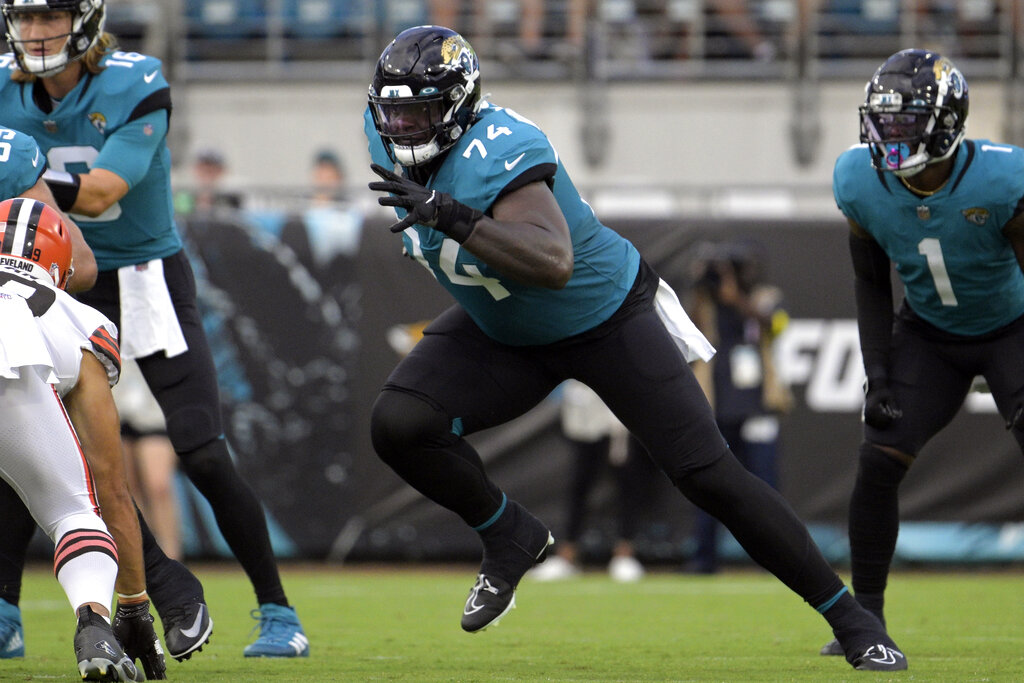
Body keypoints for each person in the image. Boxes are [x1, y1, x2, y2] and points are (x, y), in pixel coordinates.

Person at [365, 25, 905, 671]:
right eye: (392, 110)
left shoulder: (501, 148)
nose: (402, 124)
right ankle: (509, 533)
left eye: (419, 110)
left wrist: (451, 213)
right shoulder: (384, 135)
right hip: (504, 326)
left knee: (710, 475)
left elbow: (552, 261)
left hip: (601, 317)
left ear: (458, 104)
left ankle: (853, 620)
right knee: (399, 422)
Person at [0, 0, 307, 659]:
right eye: (22, 19)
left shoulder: (132, 79)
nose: (34, 32)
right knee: (27, 435)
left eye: (47, 16)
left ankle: (278, 609)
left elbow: (108, 189)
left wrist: (21, 166)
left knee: (200, 448)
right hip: (44, 279)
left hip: (139, 276)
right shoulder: (3, 84)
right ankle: (6, 611)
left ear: (84, 19)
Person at [820, 47, 1024, 657]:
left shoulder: (1001, 177)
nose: (891, 133)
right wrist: (878, 372)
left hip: (1012, 326)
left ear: (948, 119)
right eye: (885, 118)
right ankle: (866, 618)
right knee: (878, 461)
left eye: (906, 119)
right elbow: (868, 281)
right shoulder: (858, 178)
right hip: (929, 334)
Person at [0, 196, 164, 681]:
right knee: (73, 511)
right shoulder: (76, 317)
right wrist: (133, 603)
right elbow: (111, 481)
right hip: (17, 373)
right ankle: (92, 623)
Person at [686, 241, 792, 573]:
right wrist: (699, 286)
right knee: (712, 485)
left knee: (764, 484)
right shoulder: (705, 304)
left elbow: (776, 327)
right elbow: (686, 333)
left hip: (758, 405)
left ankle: (776, 558)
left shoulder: (766, 297)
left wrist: (739, 300)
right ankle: (704, 559)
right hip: (717, 405)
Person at [530, 380, 650, 582]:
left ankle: (624, 555)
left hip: (620, 411)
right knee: (580, 484)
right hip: (585, 412)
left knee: (627, 484)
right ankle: (567, 556)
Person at [115, 360, 183, 562]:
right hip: (117, 404)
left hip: (155, 408)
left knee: (158, 486)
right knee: (129, 489)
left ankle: (172, 557)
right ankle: (148, 554)